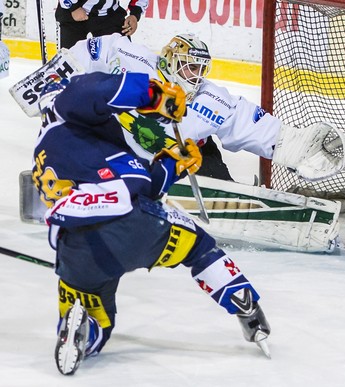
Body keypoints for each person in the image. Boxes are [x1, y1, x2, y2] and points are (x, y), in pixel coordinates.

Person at [32, 72, 271, 375]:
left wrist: (172, 163)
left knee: (100, 321)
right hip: (133, 226)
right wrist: (153, 94)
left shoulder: (47, 154)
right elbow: (90, 90)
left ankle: (82, 332)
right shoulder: (68, 109)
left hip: (76, 250)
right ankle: (247, 310)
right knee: (198, 247)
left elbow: (141, 185)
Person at [65, 32, 345, 183]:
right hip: (122, 147)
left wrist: (295, 148)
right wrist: (59, 75)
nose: (197, 75)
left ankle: (226, 193)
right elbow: (95, 49)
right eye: (191, 67)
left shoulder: (212, 97)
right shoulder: (133, 58)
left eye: (201, 68)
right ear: (172, 61)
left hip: (185, 155)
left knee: (213, 172)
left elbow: (248, 121)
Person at [56, 0, 148, 49]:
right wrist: (73, 7)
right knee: (70, 62)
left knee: (122, 58)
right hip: (74, 15)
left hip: (109, 15)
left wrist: (135, 14)